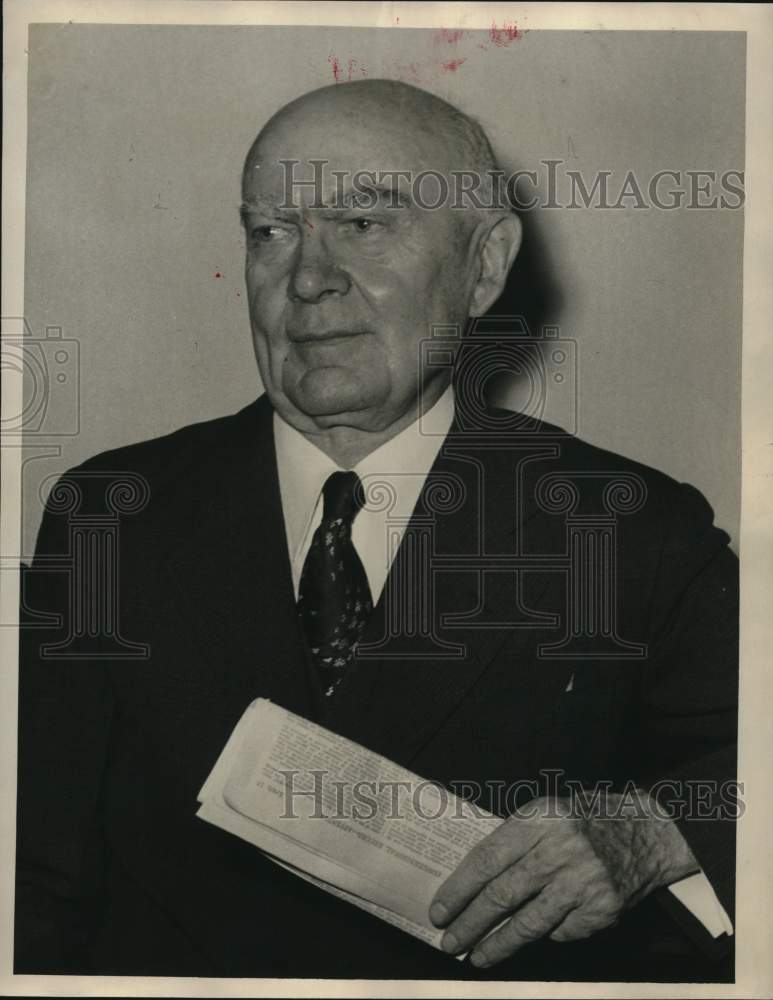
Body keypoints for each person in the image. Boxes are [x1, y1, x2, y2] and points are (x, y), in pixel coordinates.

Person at [15, 80, 738, 982]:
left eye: (363, 223)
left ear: (483, 267)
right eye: (270, 231)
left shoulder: (632, 527)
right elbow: (32, 878)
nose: (307, 278)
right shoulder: (111, 511)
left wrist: (648, 832)